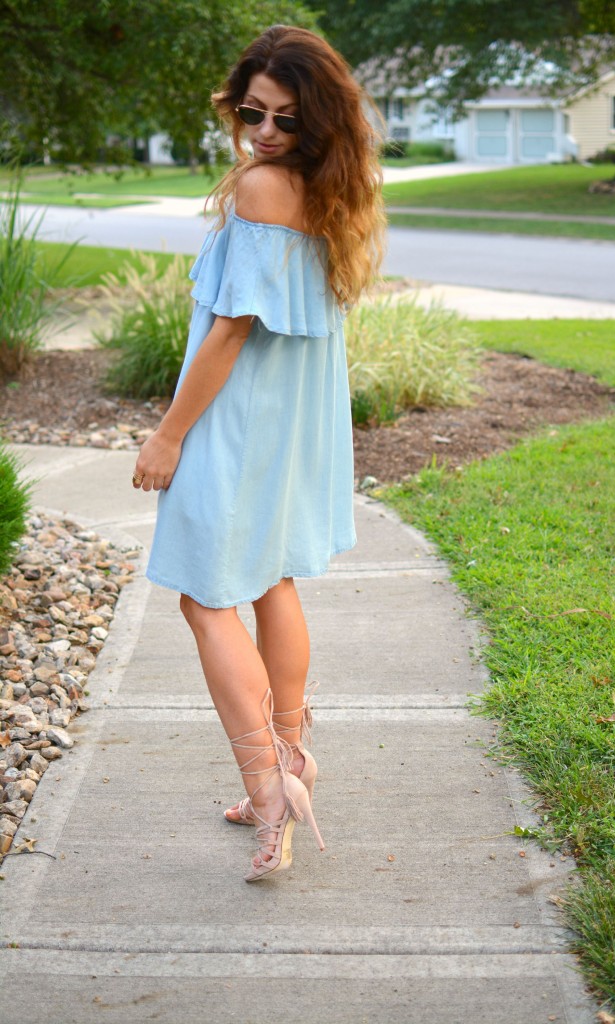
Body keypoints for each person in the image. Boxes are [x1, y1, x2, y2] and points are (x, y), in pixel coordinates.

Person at [131, 24, 385, 882]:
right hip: (285, 427)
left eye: (285, 119)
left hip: (235, 424)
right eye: (253, 113)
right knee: (270, 578)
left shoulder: (263, 190)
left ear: (316, 123)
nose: (266, 133)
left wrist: (169, 433)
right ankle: (293, 756)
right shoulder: (331, 189)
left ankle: (266, 783)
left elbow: (231, 331)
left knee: (205, 600)